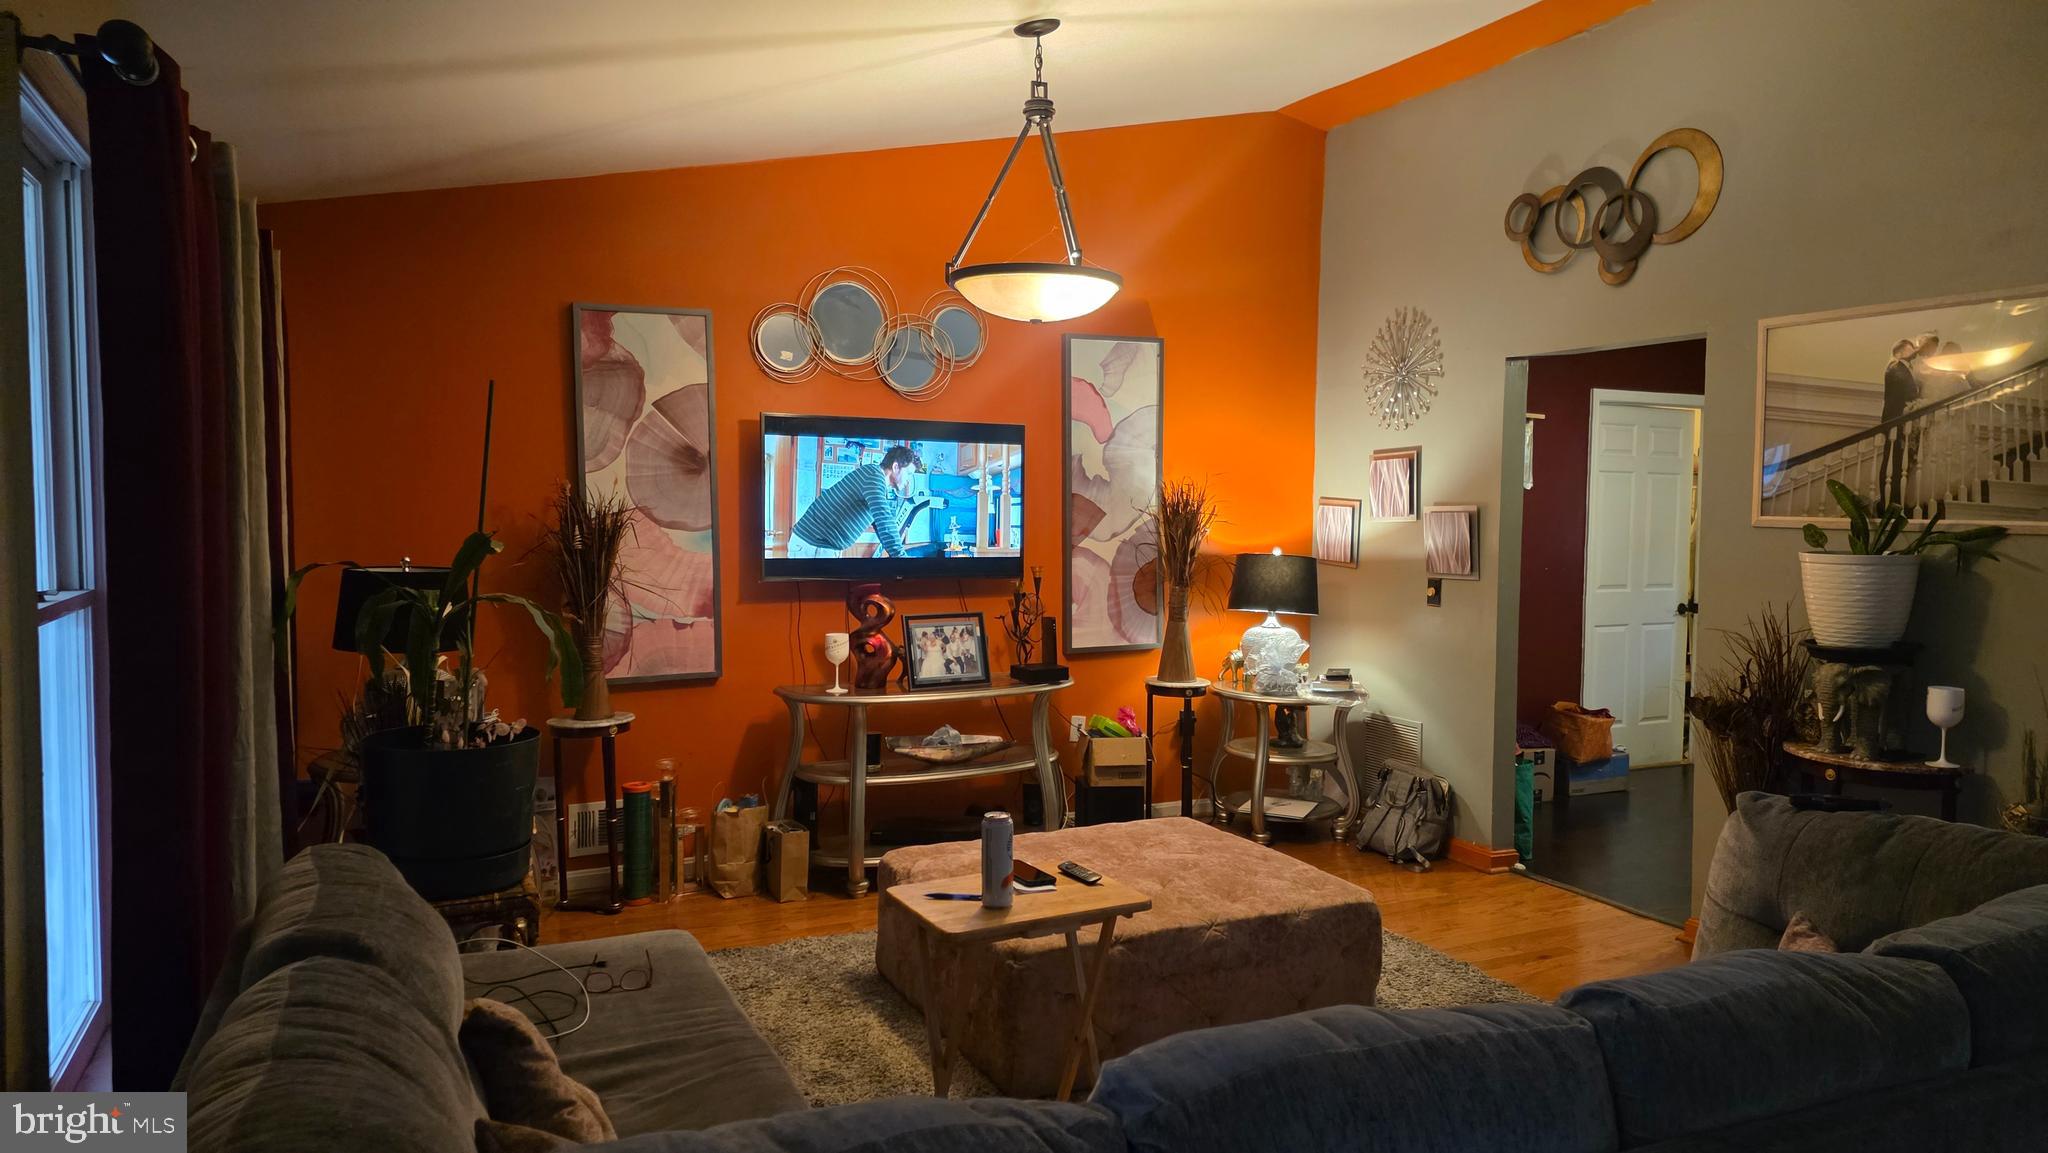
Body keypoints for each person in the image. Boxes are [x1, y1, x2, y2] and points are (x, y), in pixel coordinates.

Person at [789, 445, 917, 558]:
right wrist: (903, 560)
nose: (909, 480)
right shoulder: (874, 477)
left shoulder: (872, 476)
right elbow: (884, 519)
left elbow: (880, 524)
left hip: (821, 546)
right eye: (909, 473)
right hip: (814, 546)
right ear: (895, 467)